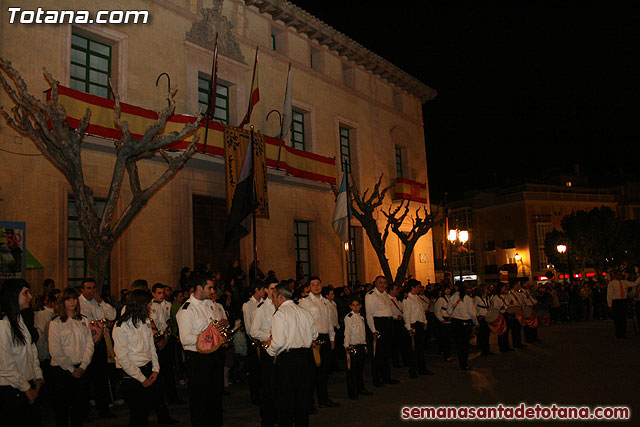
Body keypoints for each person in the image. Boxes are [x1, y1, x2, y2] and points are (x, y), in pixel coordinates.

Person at [176, 273, 228, 427]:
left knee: (215, 395)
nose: (213, 291)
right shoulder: (186, 310)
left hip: (214, 355)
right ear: (199, 287)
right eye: (210, 287)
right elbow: (185, 338)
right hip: (198, 358)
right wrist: (208, 336)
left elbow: (215, 327)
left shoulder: (210, 305)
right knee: (200, 398)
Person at [113, 289, 171, 426]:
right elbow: (123, 358)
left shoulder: (144, 322)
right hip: (132, 374)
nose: (150, 307)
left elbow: (152, 347)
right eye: (148, 304)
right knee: (138, 415)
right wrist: (141, 379)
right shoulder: (121, 326)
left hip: (148, 369)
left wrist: (155, 369)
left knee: (146, 411)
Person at [267, 282, 317, 427]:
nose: (273, 301)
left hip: (288, 361)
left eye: (274, 298)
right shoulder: (304, 312)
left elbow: (278, 341)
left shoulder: (280, 314)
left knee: (285, 401)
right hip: (306, 358)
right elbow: (315, 334)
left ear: (281, 297)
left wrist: (269, 352)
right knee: (303, 400)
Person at [0, 279, 44, 427]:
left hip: (27, 385)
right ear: (13, 296)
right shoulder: (3, 325)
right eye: (25, 293)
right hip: (12, 390)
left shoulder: (20, 320)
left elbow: (31, 351)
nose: (30, 297)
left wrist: (37, 376)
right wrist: (27, 389)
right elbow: (6, 365)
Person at [48, 287, 94, 427]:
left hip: (81, 368)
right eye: (68, 299)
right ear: (63, 302)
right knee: (61, 410)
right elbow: (55, 350)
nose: (72, 302)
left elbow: (89, 345)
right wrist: (71, 369)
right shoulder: (56, 323)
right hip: (62, 370)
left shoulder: (84, 320)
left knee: (78, 409)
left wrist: (82, 366)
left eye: (74, 298)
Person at [298, 276, 339, 409]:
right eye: (313, 284)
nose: (316, 286)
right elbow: (302, 323)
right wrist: (309, 340)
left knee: (324, 371)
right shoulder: (304, 302)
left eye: (318, 284)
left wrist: (332, 338)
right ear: (309, 287)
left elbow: (329, 322)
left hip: (325, 337)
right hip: (312, 339)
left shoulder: (326, 302)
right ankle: (309, 403)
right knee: (311, 373)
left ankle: (324, 399)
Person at [250, 278, 278, 426]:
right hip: (268, 347)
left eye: (277, 288)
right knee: (268, 384)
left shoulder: (281, 306)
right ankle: (267, 417)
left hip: (280, 349)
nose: (275, 291)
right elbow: (254, 331)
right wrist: (270, 336)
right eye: (272, 288)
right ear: (266, 290)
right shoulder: (262, 308)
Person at [364, 276, 398, 387]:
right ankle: (377, 379)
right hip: (379, 324)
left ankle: (386, 376)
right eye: (380, 283)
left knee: (386, 353)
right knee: (377, 354)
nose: (382, 285)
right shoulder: (371, 295)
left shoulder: (385, 295)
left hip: (388, 324)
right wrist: (373, 330)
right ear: (375, 283)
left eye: (384, 283)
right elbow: (369, 315)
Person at [402, 279, 434, 378]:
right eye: (418, 287)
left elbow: (421, 311)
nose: (419, 289)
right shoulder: (408, 299)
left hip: (420, 324)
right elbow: (406, 315)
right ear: (412, 287)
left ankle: (422, 368)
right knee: (413, 349)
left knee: (420, 348)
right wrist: (409, 328)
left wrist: (425, 322)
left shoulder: (417, 298)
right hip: (413, 325)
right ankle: (413, 370)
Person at [343, 296, 371, 400]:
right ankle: (352, 391)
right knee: (352, 371)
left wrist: (364, 344)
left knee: (359, 369)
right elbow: (347, 332)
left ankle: (360, 388)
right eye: (353, 305)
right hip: (352, 346)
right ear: (350, 306)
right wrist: (347, 347)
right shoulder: (349, 317)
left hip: (360, 346)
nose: (355, 307)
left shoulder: (361, 317)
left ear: (361, 306)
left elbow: (363, 333)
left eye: (357, 305)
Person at [242, 280, 265, 406]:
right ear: (256, 290)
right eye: (262, 290)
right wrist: (256, 339)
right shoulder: (248, 305)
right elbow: (248, 326)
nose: (264, 292)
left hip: (264, 340)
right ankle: (255, 396)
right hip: (254, 341)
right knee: (255, 370)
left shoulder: (264, 303)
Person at [447, 283, 478, 370]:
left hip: (455, 323)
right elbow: (472, 312)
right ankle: (464, 363)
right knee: (465, 344)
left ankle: (462, 362)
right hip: (465, 324)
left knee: (459, 344)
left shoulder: (452, 298)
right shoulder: (467, 298)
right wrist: (476, 322)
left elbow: (449, 311)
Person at [607, 267, 640, 338]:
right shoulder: (612, 283)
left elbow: (635, 283)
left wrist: (638, 277)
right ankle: (618, 332)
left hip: (623, 300)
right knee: (617, 318)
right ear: (615, 276)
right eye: (618, 275)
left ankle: (623, 332)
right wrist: (609, 304)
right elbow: (609, 294)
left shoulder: (624, 282)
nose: (619, 276)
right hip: (616, 301)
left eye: (620, 275)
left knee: (623, 317)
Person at [434, 286, 455, 362]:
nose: (448, 290)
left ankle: (449, 354)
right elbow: (437, 311)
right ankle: (447, 355)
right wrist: (441, 320)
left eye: (449, 289)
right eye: (446, 289)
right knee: (445, 339)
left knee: (449, 339)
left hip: (450, 319)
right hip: (444, 320)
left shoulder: (450, 298)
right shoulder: (441, 299)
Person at [492, 284, 513, 352]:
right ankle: (502, 346)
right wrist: (500, 308)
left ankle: (506, 345)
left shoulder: (505, 296)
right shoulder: (496, 297)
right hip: (501, 315)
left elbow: (507, 304)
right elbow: (495, 307)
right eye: (504, 287)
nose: (505, 289)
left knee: (506, 331)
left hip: (506, 314)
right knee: (502, 331)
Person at [474, 284, 493, 355]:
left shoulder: (487, 298)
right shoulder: (477, 298)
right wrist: (477, 317)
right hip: (481, 318)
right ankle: (483, 350)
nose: (487, 290)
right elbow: (474, 308)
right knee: (482, 335)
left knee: (487, 334)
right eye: (485, 289)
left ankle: (487, 349)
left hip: (487, 318)